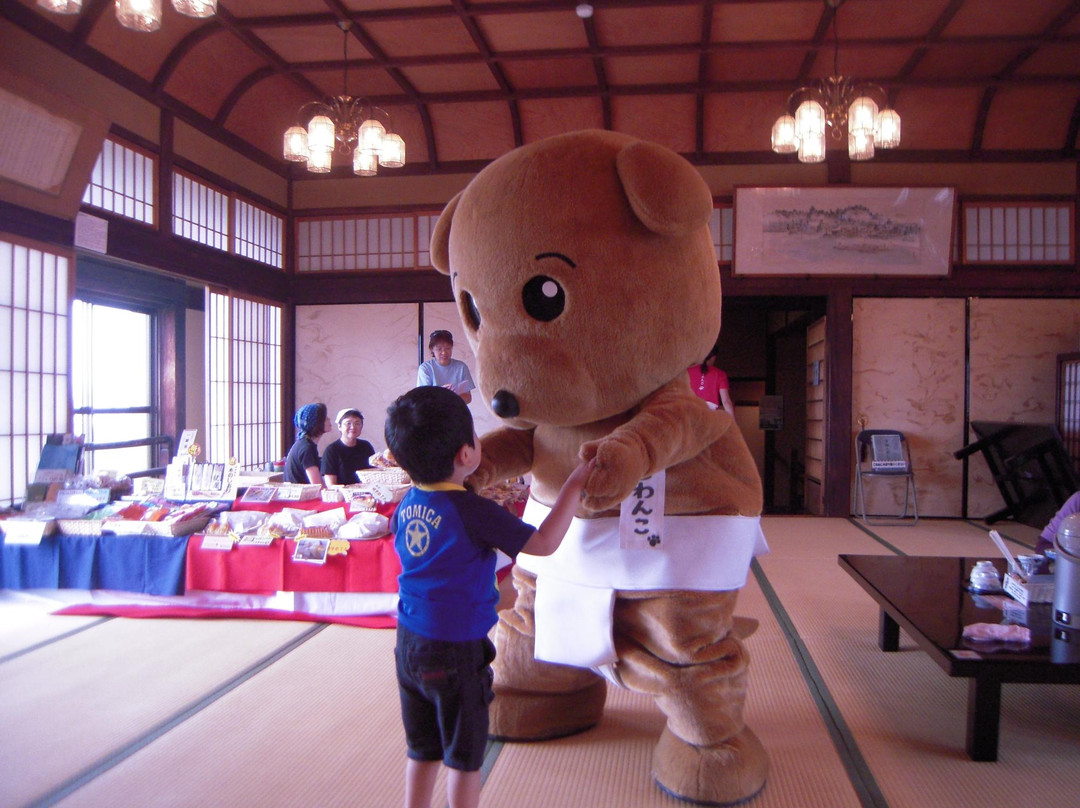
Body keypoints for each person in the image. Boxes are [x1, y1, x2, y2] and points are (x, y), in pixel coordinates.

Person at [384, 385, 593, 808]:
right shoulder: (473, 511)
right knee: (464, 757)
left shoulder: (407, 502)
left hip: (409, 642)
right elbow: (544, 543)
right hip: (456, 650)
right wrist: (574, 484)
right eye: (477, 440)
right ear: (465, 455)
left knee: (422, 748)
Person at [416, 329, 476, 404]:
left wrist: (452, 396)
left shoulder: (461, 367)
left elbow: (468, 397)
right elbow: (423, 397)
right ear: (432, 350)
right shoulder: (425, 368)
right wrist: (441, 393)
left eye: (448, 348)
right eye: (439, 349)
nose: (444, 352)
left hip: (455, 411)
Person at [321, 408, 375, 486]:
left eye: (357, 423)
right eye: (348, 423)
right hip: (343, 495)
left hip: (366, 495)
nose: (353, 427)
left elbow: (374, 474)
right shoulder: (331, 451)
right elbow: (331, 485)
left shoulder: (366, 446)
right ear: (339, 426)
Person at [284, 402, 329, 486]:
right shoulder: (307, 448)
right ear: (316, 423)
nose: (328, 419)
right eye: (325, 418)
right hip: (301, 497)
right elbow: (317, 485)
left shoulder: (304, 443)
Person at [688, 346, 734, 415]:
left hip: (691, 411)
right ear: (713, 357)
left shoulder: (688, 371)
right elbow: (726, 401)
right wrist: (733, 423)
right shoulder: (720, 374)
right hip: (710, 414)